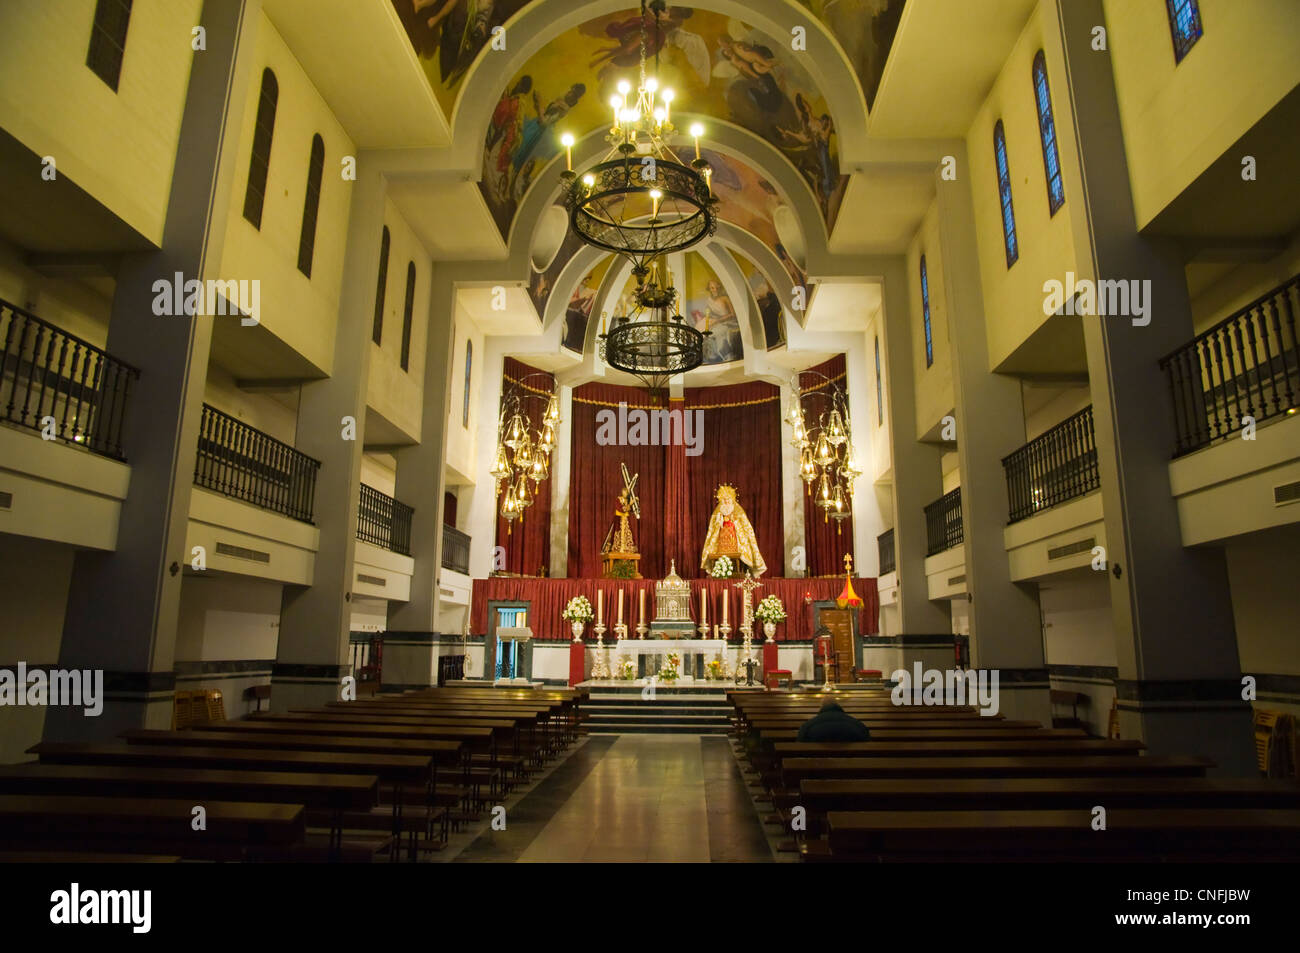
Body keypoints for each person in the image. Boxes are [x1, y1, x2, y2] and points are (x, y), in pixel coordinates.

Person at [796, 698, 872, 742]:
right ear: (838, 706)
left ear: (821, 707)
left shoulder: (808, 726)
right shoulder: (857, 725)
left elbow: (800, 742)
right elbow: (867, 739)